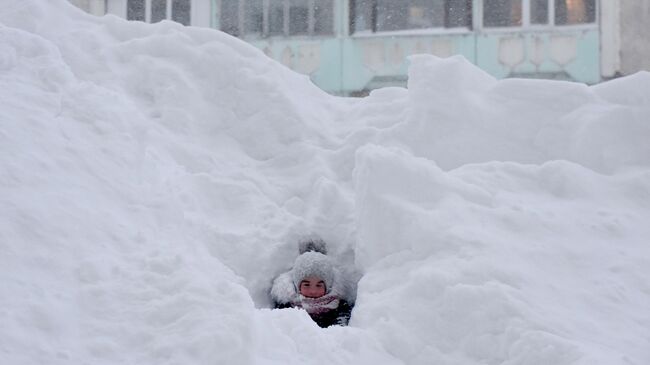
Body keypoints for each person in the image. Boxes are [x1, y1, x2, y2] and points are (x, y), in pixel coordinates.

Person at [271, 239, 352, 328]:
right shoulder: (286, 309)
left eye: (319, 285)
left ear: (328, 286)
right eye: (306, 285)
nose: (313, 291)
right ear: (297, 286)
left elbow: (341, 333)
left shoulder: (340, 309)